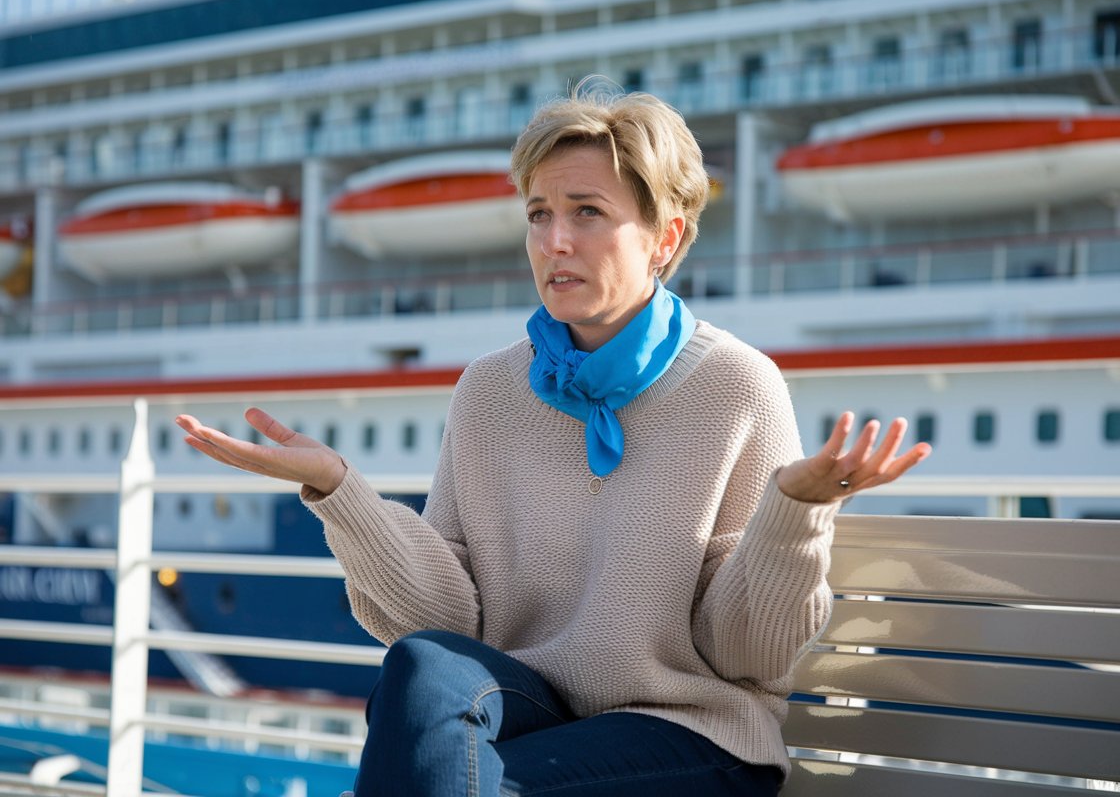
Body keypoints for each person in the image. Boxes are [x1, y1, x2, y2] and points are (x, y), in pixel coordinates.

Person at [177, 81, 930, 797]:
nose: (554, 240)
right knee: (418, 670)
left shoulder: (738, 386)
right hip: (530, 711)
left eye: (587, 212)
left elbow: (747, 655)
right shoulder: (490, 390)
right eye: (538, 213)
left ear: (666, 236)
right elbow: (445, 625)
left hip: (692, 736)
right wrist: (341, 491)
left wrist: (794, 512)